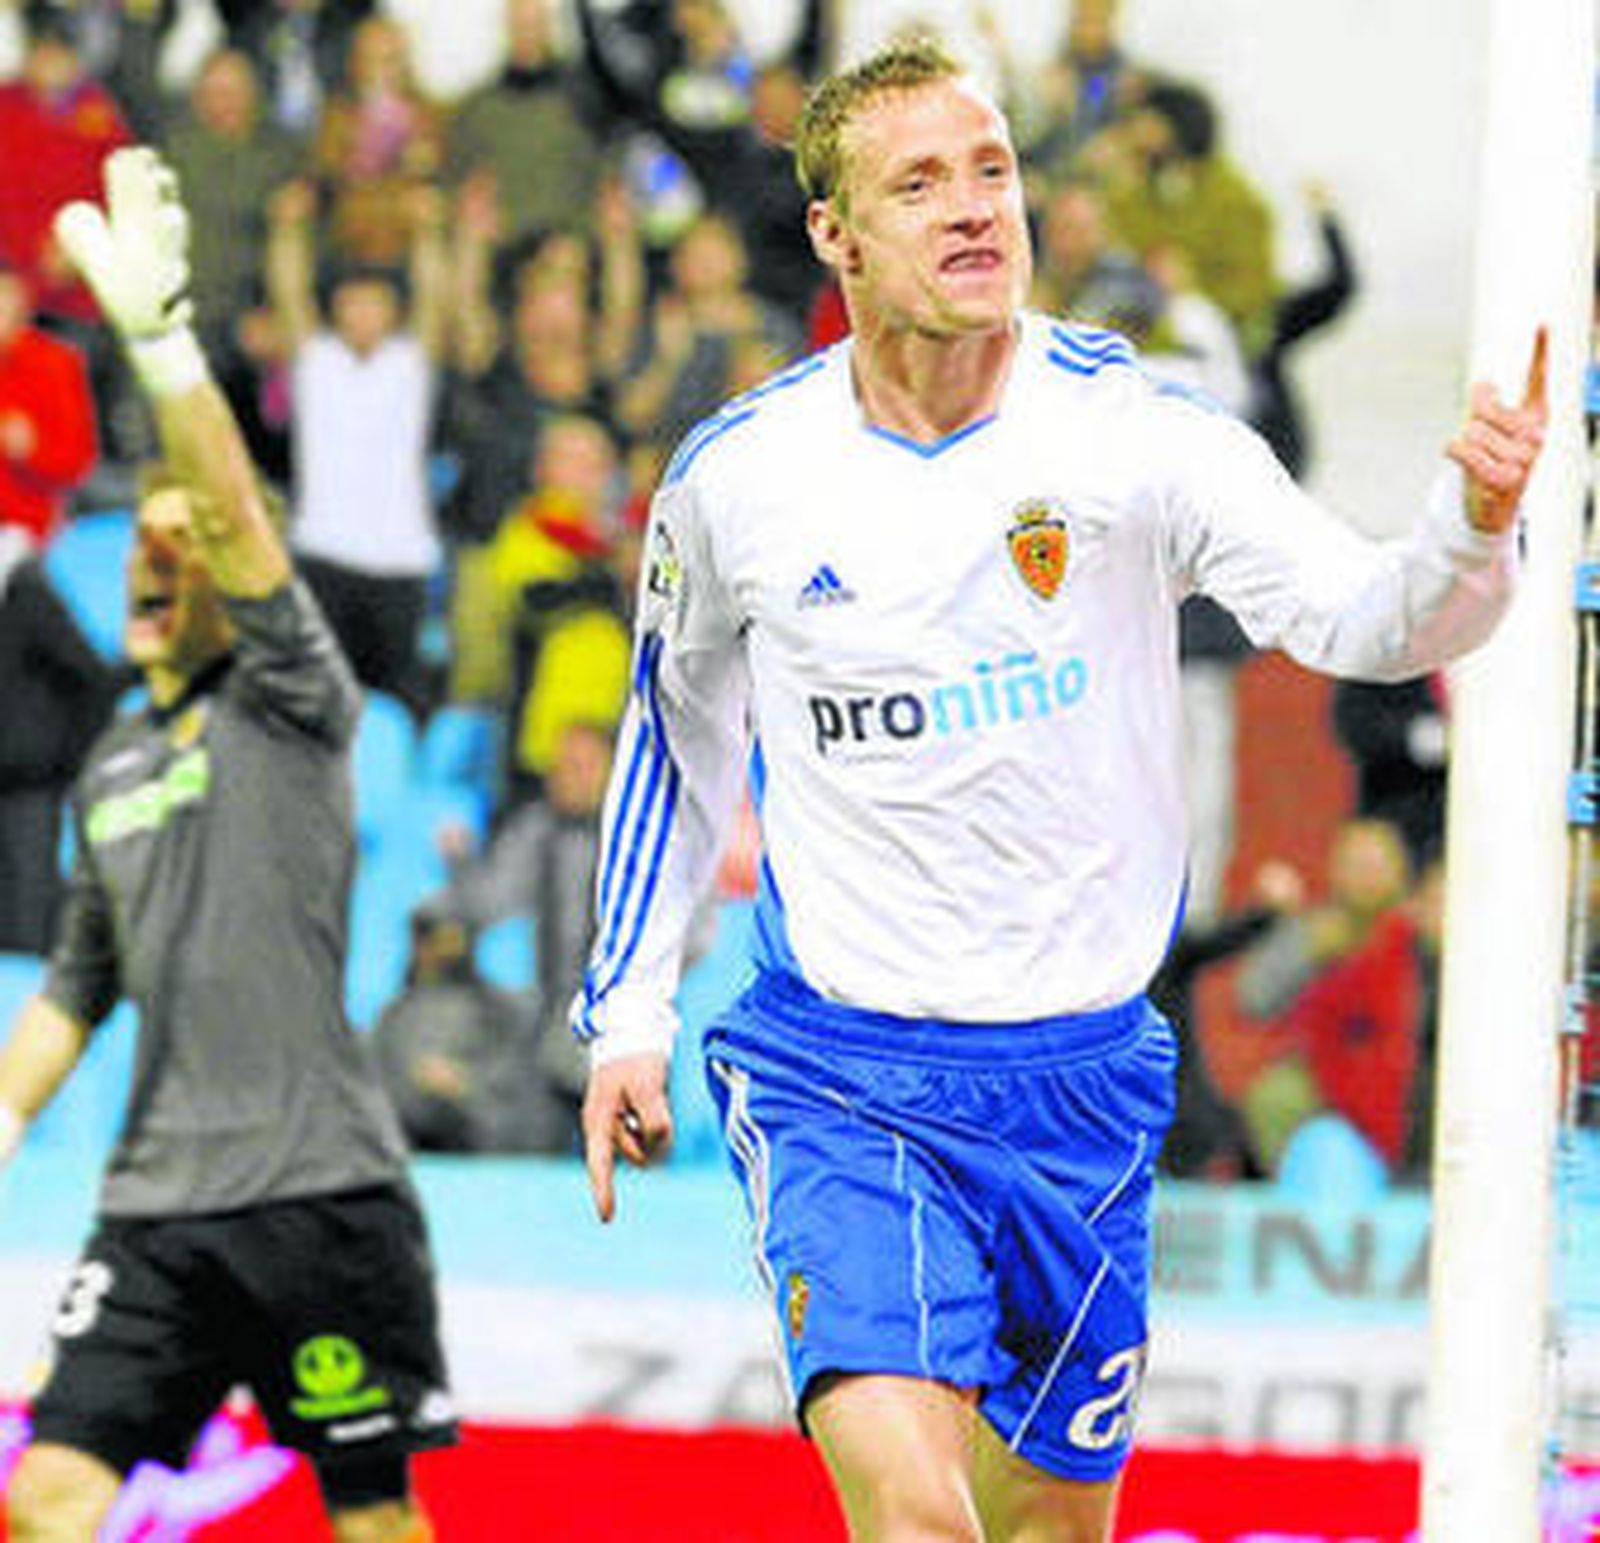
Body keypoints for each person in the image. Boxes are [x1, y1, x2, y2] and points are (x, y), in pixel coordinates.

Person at [573, 37, 1547, 1541]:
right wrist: (629, 1013)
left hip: (1083, 1081)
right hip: (848, 1073)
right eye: (920, 184)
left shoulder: (1131, 430)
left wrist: (1471, 524)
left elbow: (1366, 619)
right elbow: (674, 741)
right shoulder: (739, 481)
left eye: (993, 171)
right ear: (833, 233)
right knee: (918, 1518)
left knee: (1046, 1533)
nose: (976, 210)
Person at [0, 147, 455, 1542]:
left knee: (372, 1518)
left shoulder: (296, 695)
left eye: (179, 542)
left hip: (323, 1196)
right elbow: (81, 985)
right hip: (154, 1214)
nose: (150, 558)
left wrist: (155, 341)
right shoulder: (113, 761)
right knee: (47, 1500)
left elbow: (246, 527)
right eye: (136, 540)